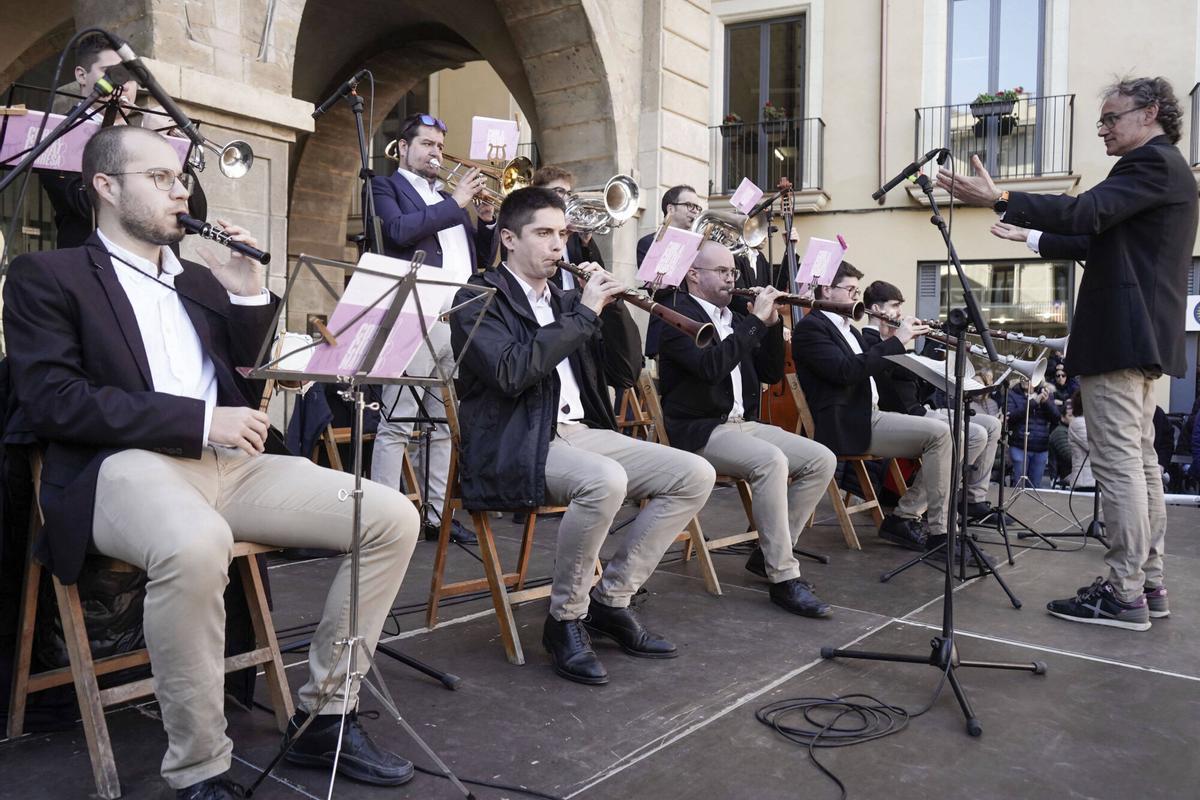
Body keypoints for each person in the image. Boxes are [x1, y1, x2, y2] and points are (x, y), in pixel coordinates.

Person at [3, 126, 420, 799]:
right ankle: (199, 765)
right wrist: (196, 419)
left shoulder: (199, 280)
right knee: (200, 544)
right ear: (106, 187)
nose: (181, 190)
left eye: (182, 177)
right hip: (124, 467)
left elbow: (243, 389)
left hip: (229, 461)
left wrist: (249, 292)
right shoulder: (47, 275)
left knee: (390, 515)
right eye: (161, 177)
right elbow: (54, 401)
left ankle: (324, 715)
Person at [944, 77, 1197, 630]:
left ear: (1151, 113)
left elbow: (1087, 212)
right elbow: (1097, 237)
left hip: (1121, 336)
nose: (1103, 127)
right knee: (1143, 465)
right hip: (1142, 338)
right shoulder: (1164, 168)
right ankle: (1147, 585)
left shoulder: (1149, 164)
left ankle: (1125, 591)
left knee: (1121, 466)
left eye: (1111, 117)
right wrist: (1031, 237)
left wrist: (1002, 197)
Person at [448, 187, 715, 686]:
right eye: (543, 233)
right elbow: (510, 372)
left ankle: (610, 600)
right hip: (517, 440)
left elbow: (625, 371)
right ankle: (564, 618)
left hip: (583, 433)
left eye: (563, 234)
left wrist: (613, 311)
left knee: (694, 473)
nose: (557, 245)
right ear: (508, 238)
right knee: (605, 481)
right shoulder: (477, 297)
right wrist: (585, 314)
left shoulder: (571, 299)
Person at [657, 240, 838, 617]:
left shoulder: (736, 319)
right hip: (702, 428)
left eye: (733, 273)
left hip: (744, 424)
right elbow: (711, 368)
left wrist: (772, 325)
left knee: (821, 458)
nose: (731, 279)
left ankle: (768, 551)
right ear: (694, 275)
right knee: (771, 460)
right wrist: (755, 322)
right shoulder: (674, 315)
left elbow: (772, 373)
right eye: (722, 272)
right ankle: (783, 576)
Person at [369, 112, 496, 544]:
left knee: (443, 424)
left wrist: (488, 220)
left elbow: (479, 254)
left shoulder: (447, 195)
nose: (436, 153)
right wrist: (456, 202)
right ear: (402, 148)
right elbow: (400, 231)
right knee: (398, 422)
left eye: (440, 146)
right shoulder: (386, 186)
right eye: (426, 144)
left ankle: (436, 514)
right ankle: (382, 518)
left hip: (453, 317)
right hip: (413, 312)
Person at [791, 262, 956, 554]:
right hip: (849, 422)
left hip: (871, 415)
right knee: (940, 433)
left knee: (954, 430)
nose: (856, 297)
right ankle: (938, 533)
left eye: (856, 290)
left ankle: (908, 517)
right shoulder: (810, 328)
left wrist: (907, 342)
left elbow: (872, 368)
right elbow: (845, 371)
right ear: (827, 289)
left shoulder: (849, 331)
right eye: (851, 290)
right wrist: (897, 340)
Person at [861, 280, 1002, 521]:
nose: (900, 313)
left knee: (992, 425)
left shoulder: (893, 341)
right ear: (876, 309)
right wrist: (931, 344)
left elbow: (920, 383)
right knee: (974, 434)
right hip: (904, 417)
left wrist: (940, 341)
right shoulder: (869, 342)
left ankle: (973, 499)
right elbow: (905, 373)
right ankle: (916, 507)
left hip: (922, 409)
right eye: (895, 306)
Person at [638, 185, 705, 358]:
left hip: (700, 327)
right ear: (670, 208)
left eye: (697, 207)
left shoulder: (701, 246)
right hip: (668, 328)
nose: (695, 212)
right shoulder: (648, 243)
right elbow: (656, 290)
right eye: (689, 205)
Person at [1006, 378, 1060, 488]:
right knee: (1018, 484)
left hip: (1040, 447)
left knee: (1035, 485)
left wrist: (1046, 403)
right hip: (1019, 446)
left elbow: (1056, 418)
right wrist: (1033, 402)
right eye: (1023, 377)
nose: (1025, 380)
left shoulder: (1046, 393)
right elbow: (1011, 416)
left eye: (1029, 378)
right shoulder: (1012, 394)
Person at [1066, 391, 1096, 491]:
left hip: (1094, 479)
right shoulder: (1079, 423)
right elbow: (1093, 447)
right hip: (1086, 480)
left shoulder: (1089, 421)